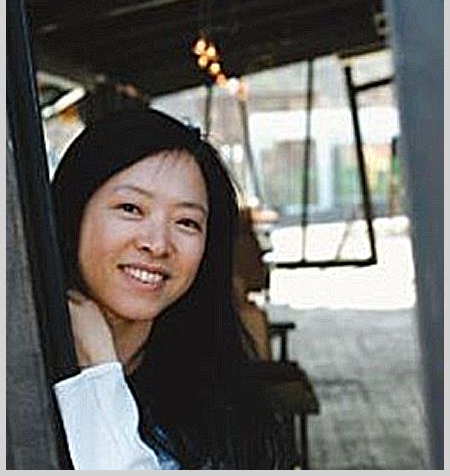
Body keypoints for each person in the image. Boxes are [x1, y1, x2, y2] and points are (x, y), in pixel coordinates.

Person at [50, 108, 298, 469]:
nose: (157, 244)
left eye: (186, 222)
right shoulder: (18, 378)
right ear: (73, 215)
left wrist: (99, 374)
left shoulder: (220, 416)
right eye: (131, 208)